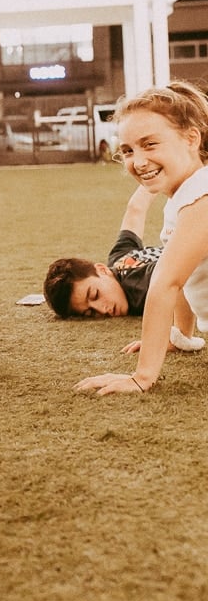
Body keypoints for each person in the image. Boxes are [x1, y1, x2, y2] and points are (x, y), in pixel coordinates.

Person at [76, 80, 208, 397]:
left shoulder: (201, 199)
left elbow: (166, 282)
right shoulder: (189, 195)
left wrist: (142, 376)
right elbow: (187, 275)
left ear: (191, 138)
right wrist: (180, 336)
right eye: (128, 150)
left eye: (150, 145)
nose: (138, 161)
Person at [43, 186, 203, 350]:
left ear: (102, 270)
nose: (102, 309)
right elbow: (136, 208)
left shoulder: (141, 289)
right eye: (90, 312)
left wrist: (178, 338)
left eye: (95, 295)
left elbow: (178, 277)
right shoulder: (118, 259)